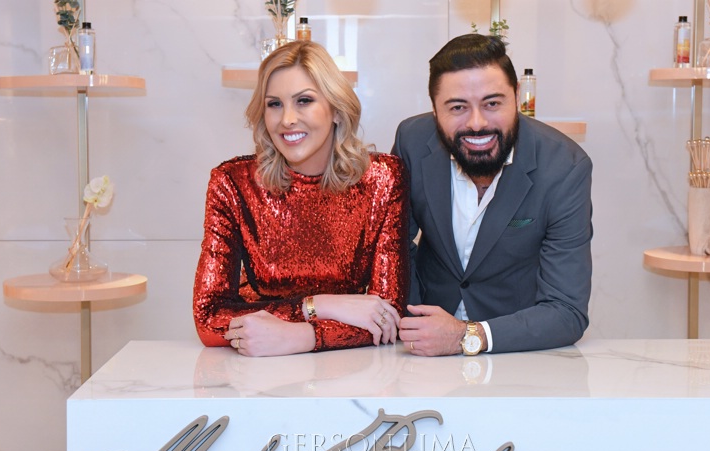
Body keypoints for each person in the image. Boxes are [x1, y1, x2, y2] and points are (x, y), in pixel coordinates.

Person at [194, 41, 409, 356]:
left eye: (304, 101)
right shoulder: (233, 182)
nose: (287, 119)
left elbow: (388, 315)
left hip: (349, 368)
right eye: (274, 104)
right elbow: (209, 318)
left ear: (337, 110)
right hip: (252, 366)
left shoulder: (382, 179)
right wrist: (319, 306)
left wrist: (301, 337)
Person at [392, 34, 592, 356]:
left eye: (493, 104)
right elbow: (394, 245)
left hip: (515, 353)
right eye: (458, 107)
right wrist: (413, 319)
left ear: (517, 96)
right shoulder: (412, 142)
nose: (477, 123)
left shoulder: (564, 167)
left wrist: (467, 336)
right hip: (423, 350)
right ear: (434, 109)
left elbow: (567, 312)